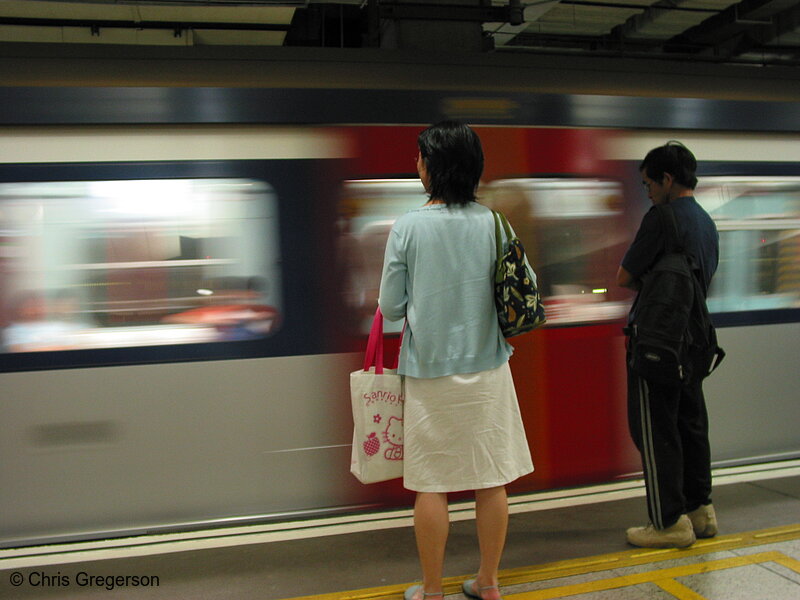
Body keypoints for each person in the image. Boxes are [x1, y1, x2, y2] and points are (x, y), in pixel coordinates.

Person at [378, 121, 534, 600]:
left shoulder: (407, 227)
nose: (416, 165)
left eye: (420, 158)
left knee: (432, 484)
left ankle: (431, 589)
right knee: (490, 480)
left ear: (433, 168)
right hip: (488, 367)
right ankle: (487, 582)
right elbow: (518, 287)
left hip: (428, 373)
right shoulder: (494, 223)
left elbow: (391, 309)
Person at [616, 141, 720, 548]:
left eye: (648, 184)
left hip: (657, 342)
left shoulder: (662, 218)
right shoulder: (707, 223)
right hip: (695, 340)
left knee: (655, 428)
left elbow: (625, 276)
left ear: (667, 179)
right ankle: (701, 510)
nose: (648, 192)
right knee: (690, 423)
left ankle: (667, 522)